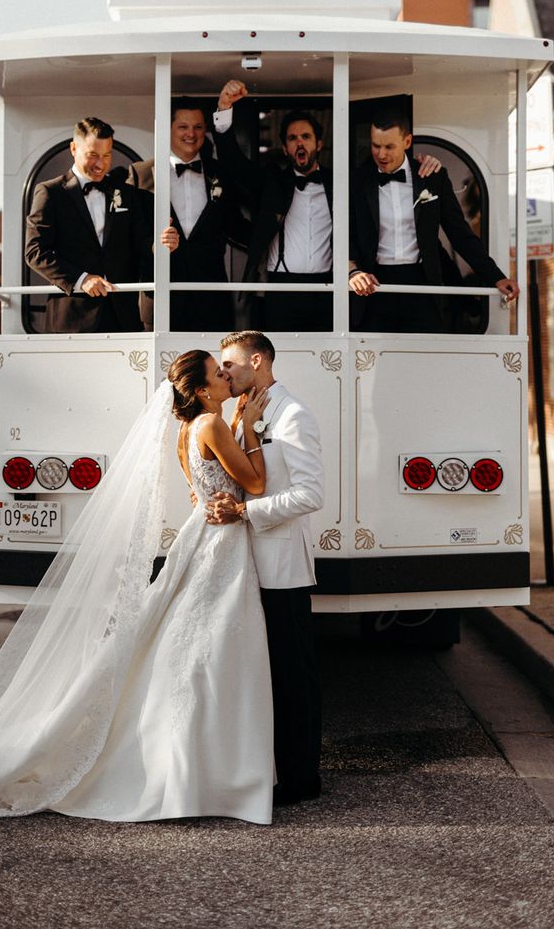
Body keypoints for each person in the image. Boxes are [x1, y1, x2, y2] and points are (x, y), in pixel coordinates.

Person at [0, 352, 275, 824]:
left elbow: (199, 490)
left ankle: (197, 770)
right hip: (218, 542)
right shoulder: (213, 425)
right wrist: (249, 426)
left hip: (203, 534)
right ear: (204, 389)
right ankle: (206, 773)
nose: (226, 376)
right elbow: (256, 481)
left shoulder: (190, 429)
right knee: (209, 650)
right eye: (218, 372)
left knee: (193, 650)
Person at [214, 80, 443, 333]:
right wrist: (224, 109)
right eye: (292, 138)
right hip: (281, 291)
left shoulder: (343, 182)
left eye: (306, 137)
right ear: (286, 148)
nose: (300, 143)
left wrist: (424, 161)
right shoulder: (272, 183)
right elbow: (234, 165)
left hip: (328, 289)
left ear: (319, 144)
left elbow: (388, 161)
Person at [206, 331, 324, 805]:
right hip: (243, 564)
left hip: (281, 566)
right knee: (260, 675)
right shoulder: (241, 414)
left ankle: (301, 780)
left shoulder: (293, 415)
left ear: (257, 361)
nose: (225, 372)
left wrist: (245, 513)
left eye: (230, 364)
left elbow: (310, 495)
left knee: (293, 674)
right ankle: (268, 771)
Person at [348, 109, 520, 333]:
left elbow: (459, 232)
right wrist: (353, 271)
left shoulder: (432, 176)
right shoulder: (358, 181)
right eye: (375, 146)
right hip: (375, 286)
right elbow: (347, 234)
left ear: (407, 141)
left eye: (389, 147)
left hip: (422, 284)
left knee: (425, 359)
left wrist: (495, 276)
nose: (381, 154)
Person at [126, 99, 250, 331]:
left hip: (211, 297)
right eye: (183, 127)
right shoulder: (140, 174)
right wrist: (154, 245)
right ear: (168, 129)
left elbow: (234, 226)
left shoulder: (219, 172)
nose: (191, 134)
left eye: (198, 127)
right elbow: (128, 233)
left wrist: (273, 234)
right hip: (162, 297)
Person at [25, 116, 155, 333]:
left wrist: (161, 244)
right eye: (93, 155)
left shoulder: (125, 193)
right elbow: (35, 252)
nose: (100, 164)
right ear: (73, 148)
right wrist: (81, 279)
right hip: (71, 319)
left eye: (107, 155)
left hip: (123, 318)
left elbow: (141, 244)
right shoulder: (50, 192)